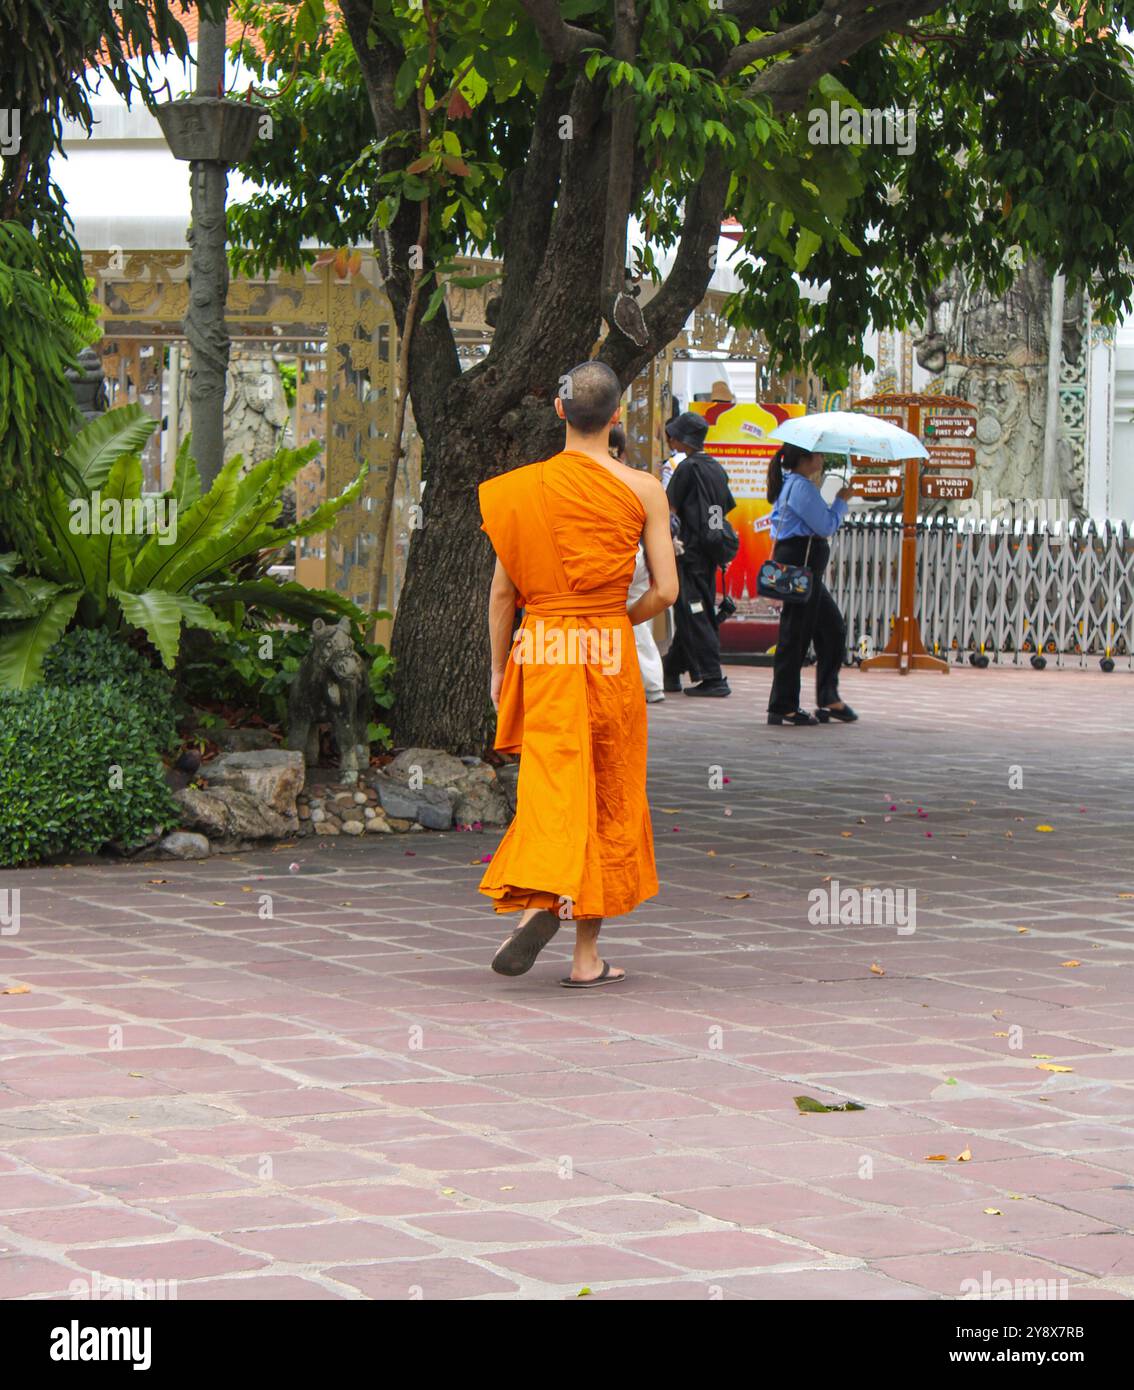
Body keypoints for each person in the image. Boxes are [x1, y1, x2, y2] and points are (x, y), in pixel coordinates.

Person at [478, 361, 678, 987]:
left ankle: (541, 899)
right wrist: (618, 615)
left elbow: (503, 597)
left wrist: (497, 669)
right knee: (611, 792)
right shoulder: (644, 488)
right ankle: (586, 958)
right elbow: (667, 591)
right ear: (616, 416)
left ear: (560, 412)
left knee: (553, 787)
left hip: (543, 650)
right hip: (610, 650)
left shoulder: (519, 490)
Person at [765, 443, 857, 726]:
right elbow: (825, 526)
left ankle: (828, 696)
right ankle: (784, 705)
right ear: (804, 459)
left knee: (831, 628)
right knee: (795, 636)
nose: (822, 458)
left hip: (805, 570)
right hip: (799, 568)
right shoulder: (801, 488)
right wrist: (841, 501)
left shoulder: (797, 485)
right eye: (818, 454)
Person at [661, 411, 736, 697]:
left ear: (682, 439)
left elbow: (671, 511)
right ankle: (671, 669)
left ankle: (712, 676)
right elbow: (718, 512)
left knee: (694, 611)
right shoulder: (716, 469)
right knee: (695, 609)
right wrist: (715, 541)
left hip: (688, 551)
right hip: (710, 551)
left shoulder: (686, 468)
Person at [608, 425, 666, 703]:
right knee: (638, 622)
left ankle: (639, 681)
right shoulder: (637, 479)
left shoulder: (597, 475)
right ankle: (651, 681)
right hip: (637, 553)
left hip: (614, 554)